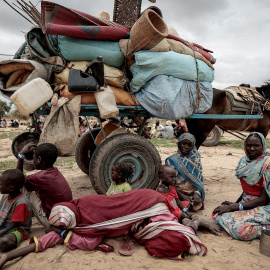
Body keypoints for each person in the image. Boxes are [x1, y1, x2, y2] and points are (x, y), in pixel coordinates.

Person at [0, 189, 215, 268]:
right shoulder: (75, 221)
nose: (55, 231)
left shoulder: (86, 211)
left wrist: (63, 233)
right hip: (143, 216)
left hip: (146, 204)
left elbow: (114, 207)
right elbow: (45, 241)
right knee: (170, 241)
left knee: (174, 238)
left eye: (59, 228)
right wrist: (8, 257)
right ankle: (192, 222)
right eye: (58, 228)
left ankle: (192, 222)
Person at [212, 132, 270, 241]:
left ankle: (265, 229)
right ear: (244, 145)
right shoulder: (244, 161)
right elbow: (247, 190)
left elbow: (264, 199)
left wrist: (236, 207)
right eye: (249, 145)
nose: (252, 148)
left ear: (263, 146)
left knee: (241, 231)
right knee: (218, 215)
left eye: (256, 145)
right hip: (247, 203)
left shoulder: (267, 165)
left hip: (265, 206)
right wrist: (236, 203)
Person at [16, 142, 73, 231]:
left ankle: (16, 216)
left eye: (33, 157)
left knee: (21, 185)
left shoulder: (41, 177)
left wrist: (21, 155)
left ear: (39, 159)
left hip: (54, 221)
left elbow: (17, 179)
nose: (33, 160)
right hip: (66, 216)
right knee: (34, 189)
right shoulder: (54, 171)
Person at [165, 133, 205, 212]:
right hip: (177, 191)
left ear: (193, 147)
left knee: (196, 204)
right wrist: (182, 196)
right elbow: (168, 183)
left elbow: (199, 181)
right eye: (184, 143)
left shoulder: (195, 159)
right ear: (179, 144)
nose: (186, 147)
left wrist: (197, 193)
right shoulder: (171, 160)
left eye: (189, 145)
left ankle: (184, 205)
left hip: (192, 192)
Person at [0, 169, 32, 252]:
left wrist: (1, 233)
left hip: (17, 229)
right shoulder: (5, 196)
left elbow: (13, 225)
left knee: (5, 241)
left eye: (0, 184)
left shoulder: (21, 202)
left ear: (11, 187)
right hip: (3, 225)